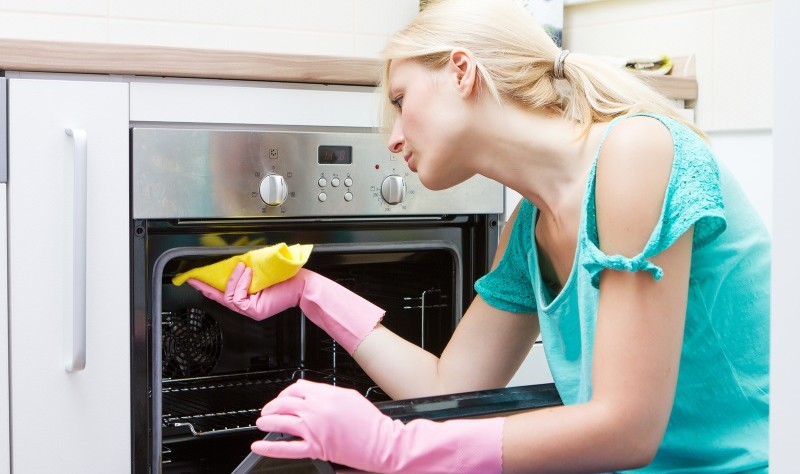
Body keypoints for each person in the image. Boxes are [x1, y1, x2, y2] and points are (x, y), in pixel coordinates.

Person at [188, 0, 770, 472]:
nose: (392, 138)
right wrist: (310, 291)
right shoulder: (529, 229)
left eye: (400, 101)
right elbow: (448, 386)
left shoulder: (637, 153)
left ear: (462, 71)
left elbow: (627, 428)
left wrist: (395, 448)